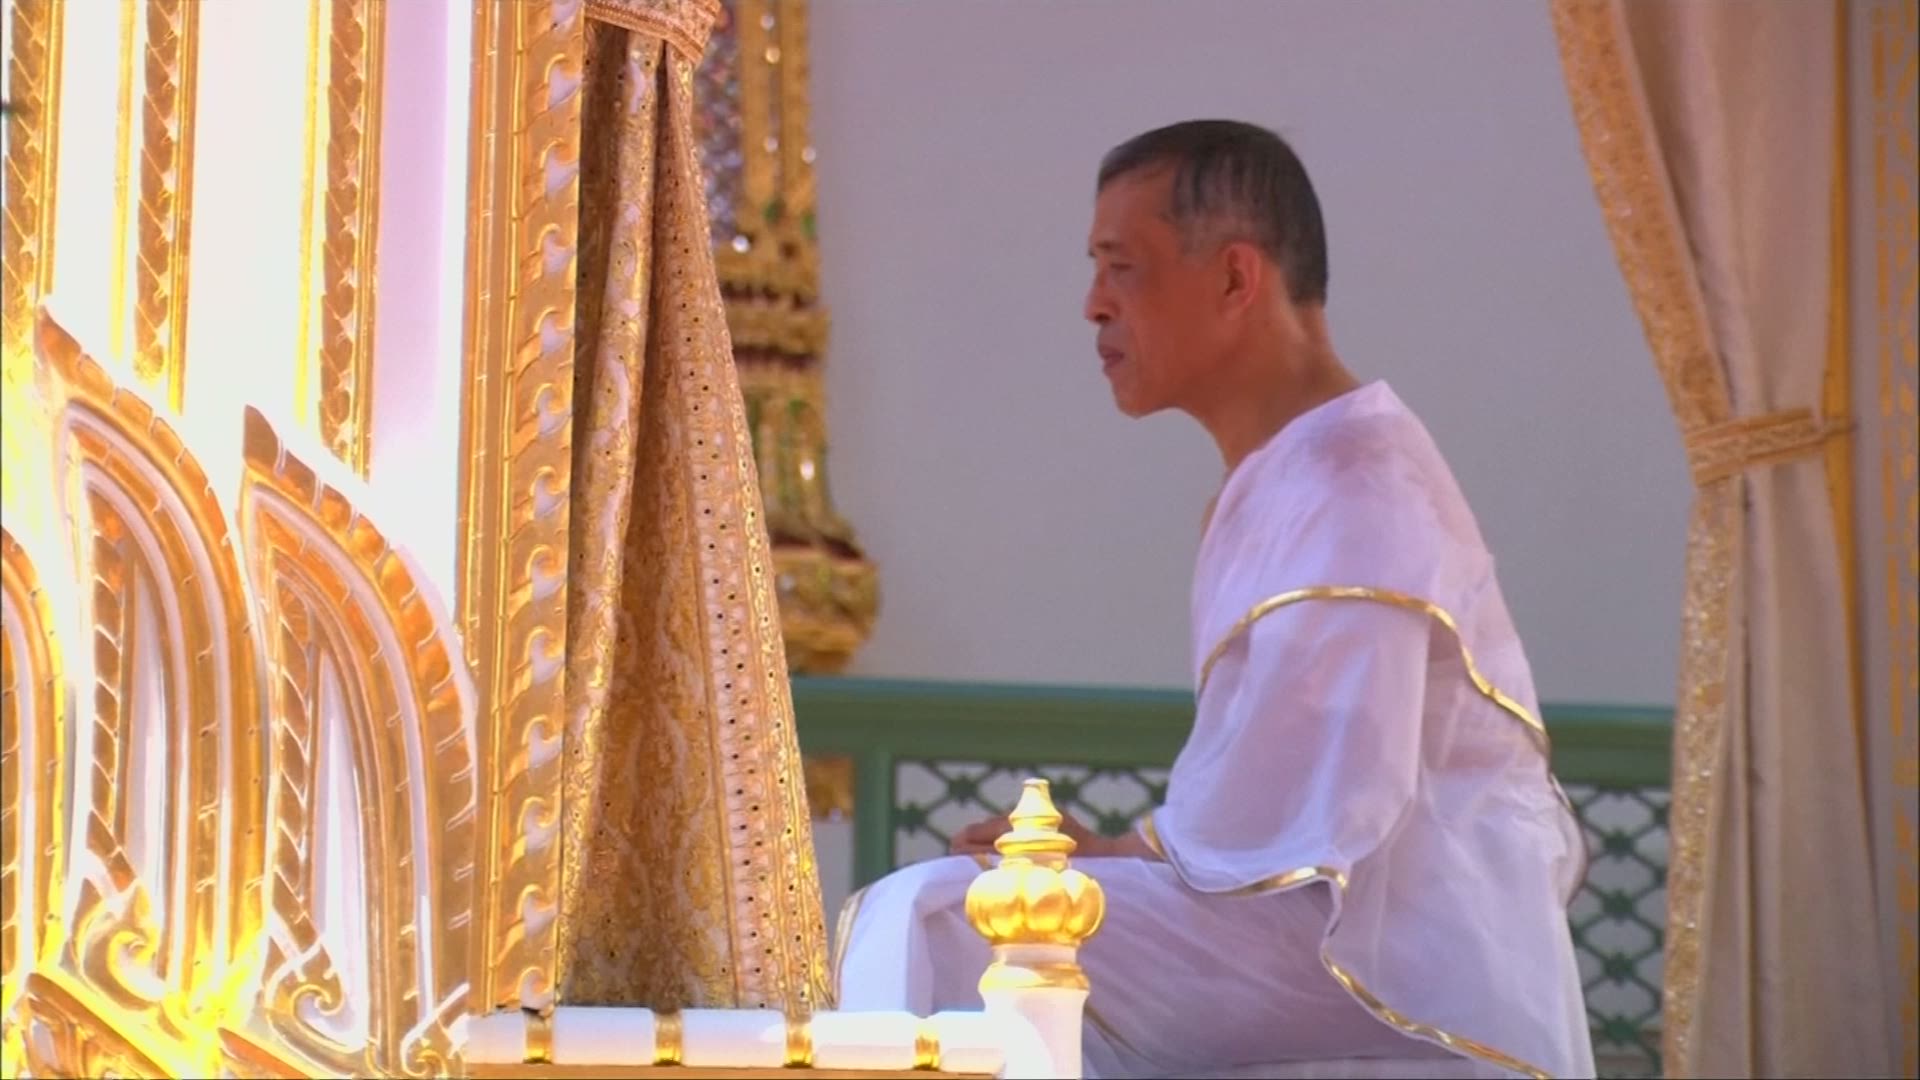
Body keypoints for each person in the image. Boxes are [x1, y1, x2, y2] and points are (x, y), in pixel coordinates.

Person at [833, 120, 1595, 1080]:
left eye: (1123, 269)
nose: (1093, 305)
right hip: (1316, 936)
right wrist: (1119, 856)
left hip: (1384, 962)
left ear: (1236, 279)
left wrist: (1119, 855)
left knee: (942, 918)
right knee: (973, 913)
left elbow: (1323, 807)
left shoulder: (1355, 483)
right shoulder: (1294, 472)